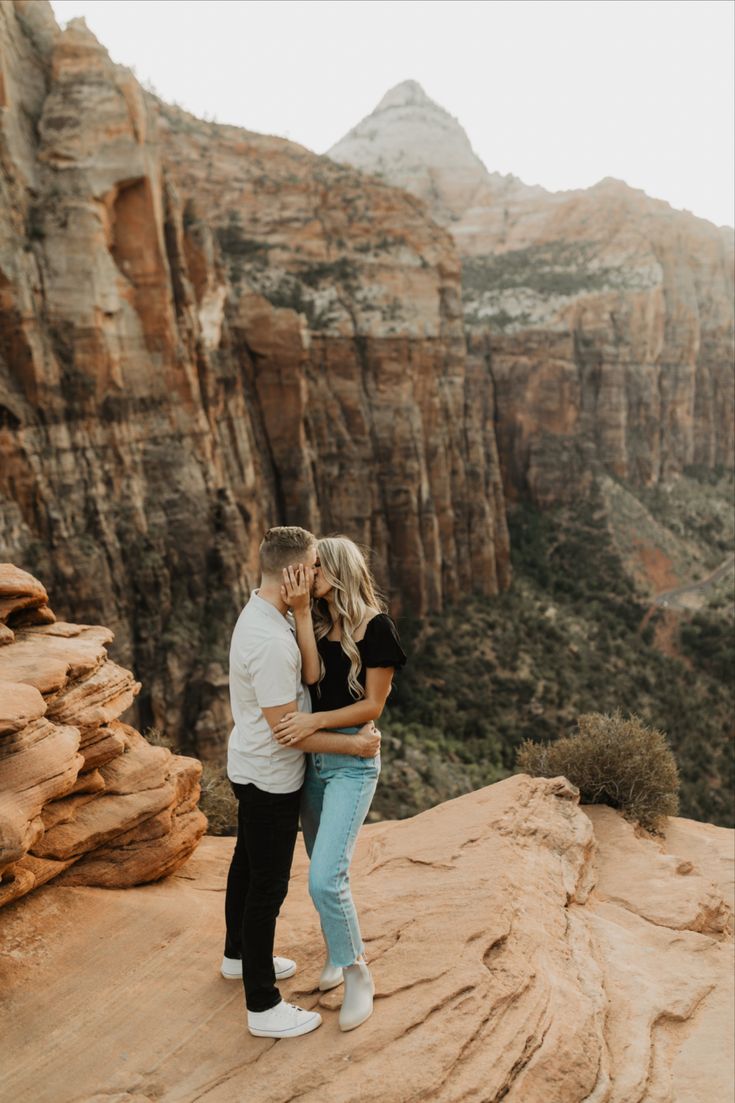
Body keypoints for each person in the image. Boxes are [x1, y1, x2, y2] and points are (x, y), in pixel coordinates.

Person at [221, 526, 381, 1040]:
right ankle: (263, 1005)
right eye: (313, 564)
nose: (318, 572)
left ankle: (237, 956)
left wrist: (297, 613)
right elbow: (288, 733)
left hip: (254, 766)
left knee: (246, 864)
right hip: (271, 775)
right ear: (292, 569)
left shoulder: (273, 617)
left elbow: (313, 679)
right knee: (266, 887)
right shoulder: (268, 640)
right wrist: (352, 745)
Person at [274, 535, 407, 1032]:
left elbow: (373, 708)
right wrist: (303, 611)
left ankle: (357, 973)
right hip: (316, 764)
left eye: (316, 567)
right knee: (321, 867)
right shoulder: (322, 620)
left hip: (351, 762)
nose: (309, 573)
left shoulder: (377, 628)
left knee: (325, 876)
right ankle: (336, 952)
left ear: (337, 569)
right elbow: (311, 674)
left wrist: (312, 724)